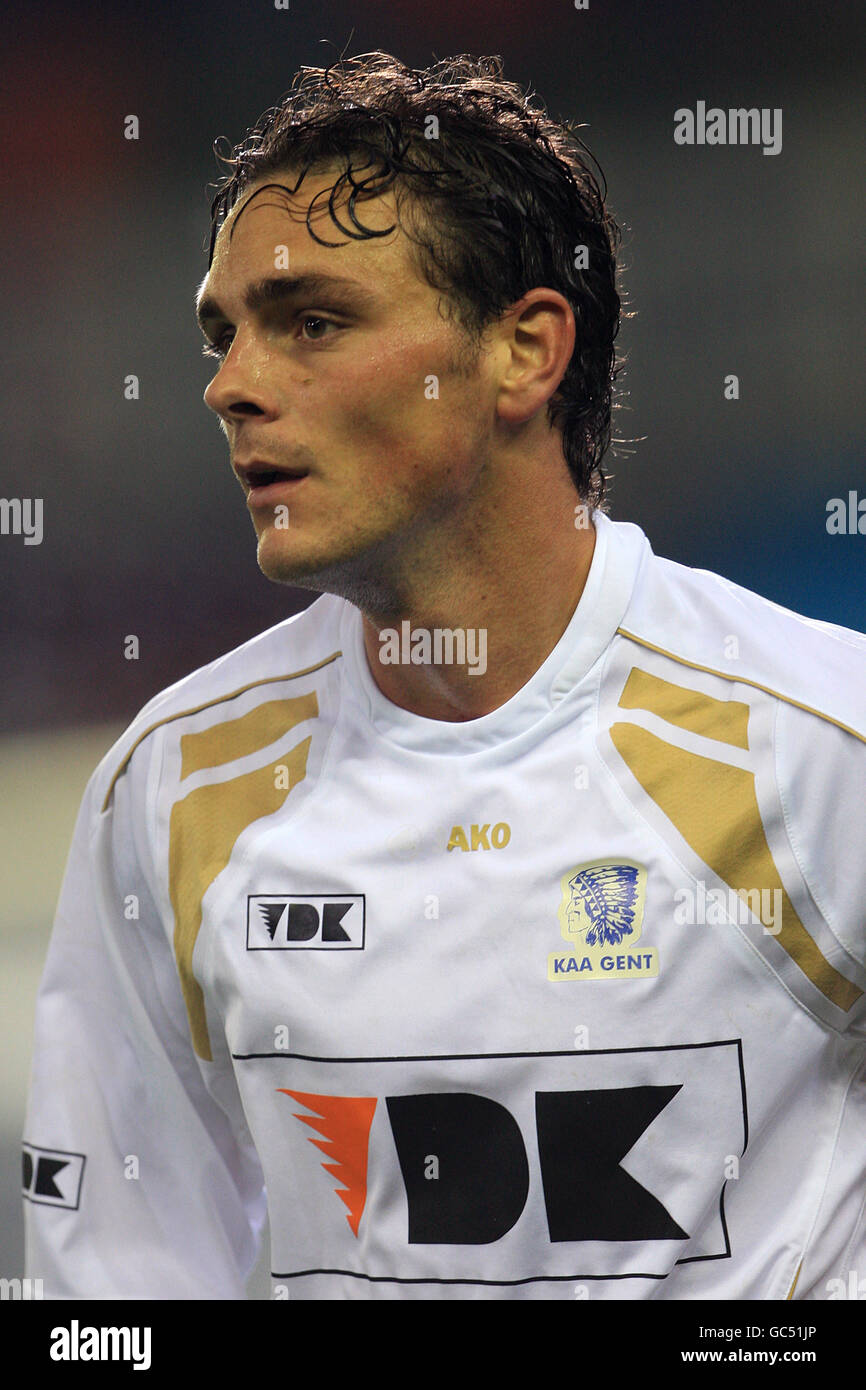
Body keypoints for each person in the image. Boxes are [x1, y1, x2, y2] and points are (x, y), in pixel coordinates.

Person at [24, 51, 866, 1301]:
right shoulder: (177, 788)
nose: (230, 386)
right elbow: (113, 1299)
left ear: (523, 351)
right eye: (223, 333)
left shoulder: (819, 743)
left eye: (312, 321)